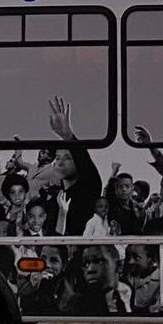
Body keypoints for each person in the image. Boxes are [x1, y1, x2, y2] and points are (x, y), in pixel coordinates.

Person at [47, 97, 103, 236]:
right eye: (58, 158)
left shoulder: (88, 189)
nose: (60, 162)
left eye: (67, 158)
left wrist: (68, 136)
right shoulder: (54, 197)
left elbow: (85, 163)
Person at [105, 166, 144, 236]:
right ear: (116, 189)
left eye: (127, 186)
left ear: (132, 188)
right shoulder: (112, 205)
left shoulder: (137, 208)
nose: (124, 189)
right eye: (120, 187)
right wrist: (114, 172)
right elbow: (107, 192)